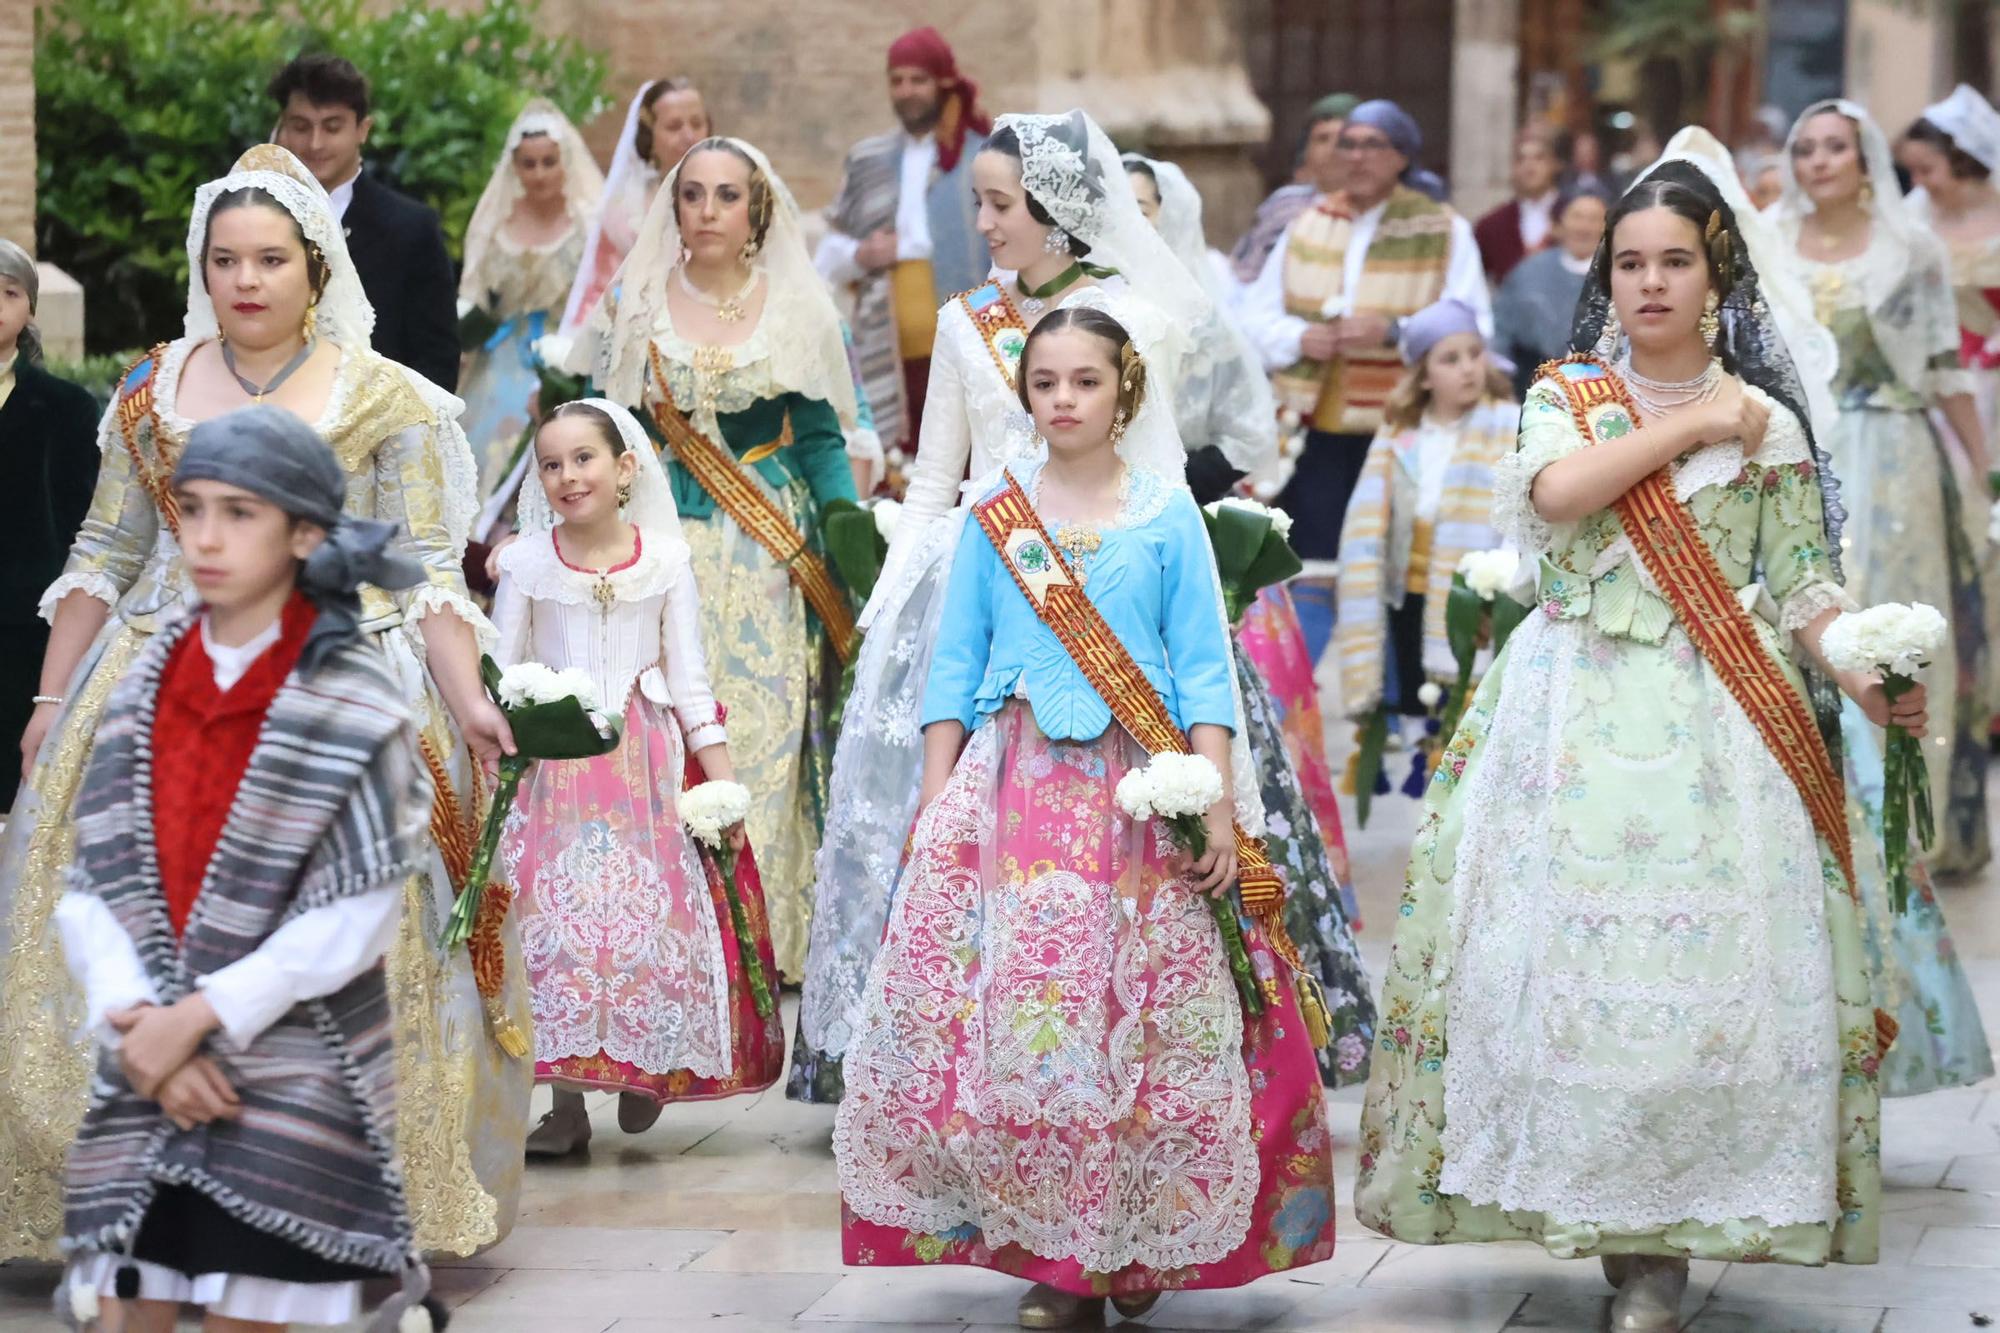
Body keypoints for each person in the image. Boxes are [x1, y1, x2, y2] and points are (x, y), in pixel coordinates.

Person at [1356, 128, 1908, 1331]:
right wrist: (1692, 425)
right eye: (1626, 264)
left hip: (1722, 727)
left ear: (1716, 281)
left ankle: (1663, 1236)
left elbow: (1804, 588)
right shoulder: (1565, 398)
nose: (1648, 283)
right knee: (1567, 974)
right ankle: (1587, 1203)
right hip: (1570, 712)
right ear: (1602, 282)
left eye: (1673, 262)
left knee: (1696, 983)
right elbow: (1559, 495)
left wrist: (1869, 677)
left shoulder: (1770, 424)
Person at [0, 145, 528, 1265]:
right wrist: (53, 695)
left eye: (271, 259)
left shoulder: (387, 396)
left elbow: (425, 567)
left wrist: (468, 698)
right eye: (226, 259)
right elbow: (105, 548)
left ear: (315, 268)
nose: (247, 280)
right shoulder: (148, 391)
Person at [833, 306, 1337, 1329]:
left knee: (1142, 1017)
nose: (1062, 399)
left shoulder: (1166, 517)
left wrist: (1213, 804)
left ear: (1124, 391)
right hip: (1011, 789)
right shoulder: (995, 514)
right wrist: (936, 805)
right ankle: (1054, 1251)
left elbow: (1202, 673)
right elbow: (954, 667)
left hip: (1140, 797)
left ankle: (1141, 1231)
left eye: (1084, 381)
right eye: (1045, 382)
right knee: (1031, 1018)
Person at [54, 405, 436, 1333]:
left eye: (241, 513)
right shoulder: (143, 690)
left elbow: (356, 912)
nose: (206, 538)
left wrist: (198, 1021)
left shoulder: (353, 700)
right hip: (147, 1060)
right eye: (191, 509)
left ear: (305, 533)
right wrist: (140, 1025)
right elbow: (93, 878)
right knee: (124, 1304)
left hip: (292, 1070)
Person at [571, 136, 861, 987]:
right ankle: (670, 928)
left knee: (757, 741)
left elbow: (819, 440)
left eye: (725, 196)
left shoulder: (798, 310)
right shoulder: (634, 304)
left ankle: (753, 935)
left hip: (768, 549)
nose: (706, 211)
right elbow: (607, 434)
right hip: (661, 550)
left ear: (756, 211)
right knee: (661, 740)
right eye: (691, 194)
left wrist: (847, 536)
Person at [1125, 151, 1376, 1087]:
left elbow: (1248, 433)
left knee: (1231, 757)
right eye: (1121, 207)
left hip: (1184, 546)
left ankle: (1271, 1005)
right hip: (1080, 565)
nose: (1134, 223)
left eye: (1148, 208)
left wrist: (1189, 483)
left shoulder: (1200, 318)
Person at [495, 399, 783, 1156]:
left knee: (646, 920)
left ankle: (641, 1066)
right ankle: (563, 1107)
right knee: (553, 930)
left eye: (583, 458)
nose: (567, 476)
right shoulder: (526, 563)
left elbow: (689, 681)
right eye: (550, 464)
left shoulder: (666, 559)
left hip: (643, 772)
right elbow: (502, 675)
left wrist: (720, 790)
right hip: (552, 777)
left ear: (624, 468)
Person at [1774, 101, 1991, 876]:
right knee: (1811, 623)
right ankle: (1819, 819)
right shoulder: (1767, 245)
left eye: (1836, 146)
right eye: (1806, 148)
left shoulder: (1912, 248)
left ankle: (1909, 828)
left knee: (1893, 620)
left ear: (1865, 158)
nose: (1820, 161)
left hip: (1896, 458)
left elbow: (1943, 368)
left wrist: (1981, 467)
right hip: (1801, 453)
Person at [1238, 98, 1492, 661]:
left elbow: (1475, 321)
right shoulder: (1309, 223)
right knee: (1314, 562)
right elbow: (1253, 317)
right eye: (1345, 143)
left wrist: (1395, 331)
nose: (1354, 156)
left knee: (1394, 566)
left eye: (1371, 145)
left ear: (1402, 156)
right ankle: (1302, 694)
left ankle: (1394, 710)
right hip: (1316, 427)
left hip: (1403, 425)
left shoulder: (1440, 227)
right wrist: (1300, 338)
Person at [1333, 298, 1514, 752]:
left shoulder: (1507, 424)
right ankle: (1418, 740)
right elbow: (1373, 506)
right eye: (1450, 360)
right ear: (1424, 375)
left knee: (1468, 671)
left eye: (1475, 354)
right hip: (1408, 577)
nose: (1468, 369)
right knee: (1412, 661)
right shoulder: (1401, 432)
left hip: (1472, 583)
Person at [815, 26, 991, 456]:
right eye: (896, 80)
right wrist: (863, 253)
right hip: (888, 361)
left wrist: (909, 246)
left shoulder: (982, 157)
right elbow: (827, 256)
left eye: (918, 79)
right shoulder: (867, 160)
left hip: (973, 349)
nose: (906, 91)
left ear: (943, 83)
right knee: (900, 473)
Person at [270, 53, 459, 392]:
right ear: (282, 127)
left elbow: (437, 362)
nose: (315, 143)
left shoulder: (411, 228)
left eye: (332, 127)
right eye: (301, 126)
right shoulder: (253, 218)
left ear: (362, 129)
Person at [458, 99, 604, 501]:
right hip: (498, 364)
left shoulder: (588, 224)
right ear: (515, 167)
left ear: (565, 162)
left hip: (562, 358)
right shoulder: (495, 222)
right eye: (528, 163)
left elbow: (602, 294)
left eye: (548, 162)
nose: (538, 173)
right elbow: (473, 291)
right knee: (482, 464)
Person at [0, 239, 98, 813]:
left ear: (29, 309)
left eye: (9, 294)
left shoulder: (65, 406)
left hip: (24, 617)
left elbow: (80, 513)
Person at [559, 77, 712, 334]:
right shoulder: (625, 212)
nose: (688, 136)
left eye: (697, 123)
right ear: (648, 136)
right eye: (674, 126)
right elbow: (601, 290)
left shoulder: (742, 196)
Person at [1903, 86, 2000, 445]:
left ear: (1962, 160)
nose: (1918, 183)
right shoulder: (1914, 219)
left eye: (1926, 169)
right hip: (1936, 380)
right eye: (1911, 171)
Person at [1227, 92, 1355, 287]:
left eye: (1343, 139)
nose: (1333, 148)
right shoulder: (1283, 204)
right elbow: (1244, 272)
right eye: (1322, 138)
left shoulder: (1379, 207)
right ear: (1306, 152)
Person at [1493, 188, 1609, 397]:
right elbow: (1501, 328)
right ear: (1559, 224)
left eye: (1593, 219)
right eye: (1577, 217)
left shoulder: (1618, 273)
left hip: (1604, 388)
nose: (1584, 227)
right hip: (1533, 385)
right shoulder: (1529, 271)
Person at [1473, 125, 1566, 284]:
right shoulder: (1491, 226)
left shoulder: (1579, 217)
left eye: (1539, 158)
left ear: (1554, 164)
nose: (1529, 166)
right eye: (1521, 159)